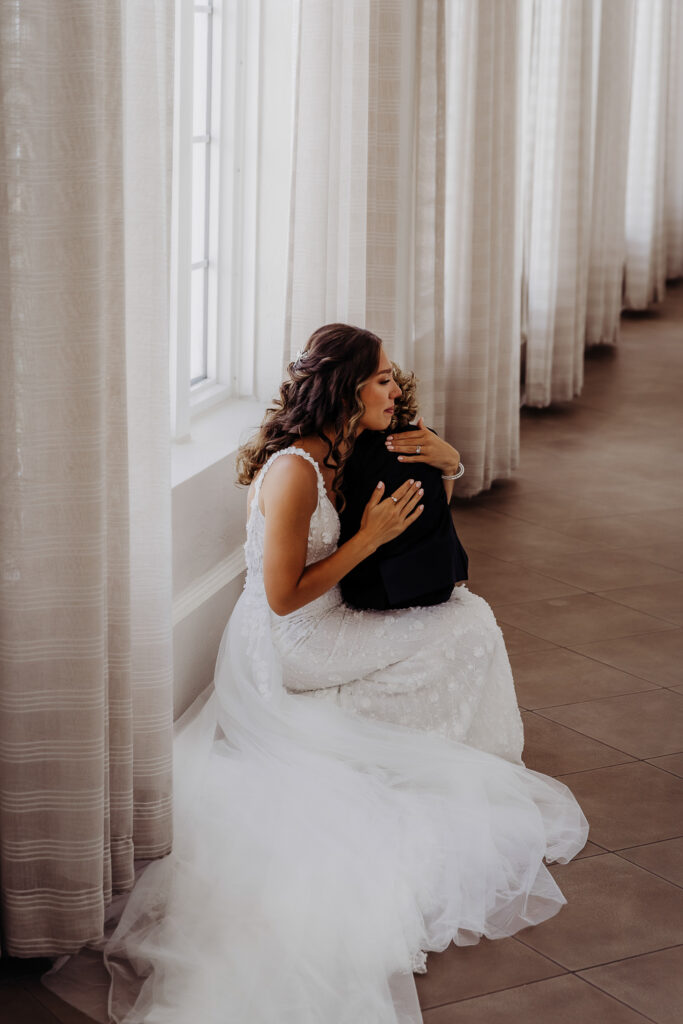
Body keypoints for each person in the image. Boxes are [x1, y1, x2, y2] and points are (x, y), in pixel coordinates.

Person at [93, 324, 588, 1023]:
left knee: (464, 615)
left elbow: (424, 481)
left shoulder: (350, 445)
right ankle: (391, 736)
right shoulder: (295, 470)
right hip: (290, 640)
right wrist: (367, 538)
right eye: (382, 378)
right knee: (467, 624)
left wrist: (446, 460)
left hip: (329, 616)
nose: (395, 387)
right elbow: (281, 597)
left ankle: (382, 728)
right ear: (346, 388)